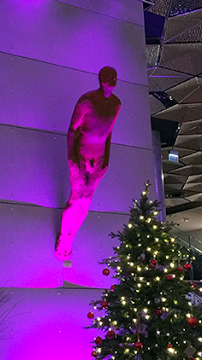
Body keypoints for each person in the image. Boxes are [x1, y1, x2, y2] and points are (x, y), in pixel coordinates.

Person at [55, 66, 121, 261]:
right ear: (101, 79)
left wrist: (106, 161)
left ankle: (71, 237)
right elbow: (72, 130)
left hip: (98, 159)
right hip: (81, 156)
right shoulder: (86, 101)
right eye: (110, 77)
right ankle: (63, 240)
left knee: (86, 201)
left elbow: (109, 133)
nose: (113, 81)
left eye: (115, 77)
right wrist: (72, 159)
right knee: (76, 198)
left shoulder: (116, 104)